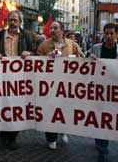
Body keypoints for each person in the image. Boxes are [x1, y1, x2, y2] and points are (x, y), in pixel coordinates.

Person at [37, 20, 84, 150]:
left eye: (55, 28)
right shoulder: (44, 45)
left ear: (62, 31)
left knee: (65, 110)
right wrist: (46, 57)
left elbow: (81, 60)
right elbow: (36, 62)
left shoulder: (71, 44)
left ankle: (63, 130)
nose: (52, 30)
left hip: (67, 86)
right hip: (50, 85)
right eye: (51, 28)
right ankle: (51, 138)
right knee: (51, 111)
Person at [0, 10, 33, 150]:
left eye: (15, 20)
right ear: (7, 21)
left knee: (17, 108)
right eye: (11, 20)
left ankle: (13, 137)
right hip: (3, 78)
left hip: (19, 79)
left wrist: (29, 53)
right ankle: (3, 138)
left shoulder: (26, 35)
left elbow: (34, 52)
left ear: (20, 22)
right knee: (3, 107)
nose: (13, 23)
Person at [86, 23, 118, 162]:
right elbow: (83, 62)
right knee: (100, 119)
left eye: (112, 34)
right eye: (107, 34)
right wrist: (88, 59)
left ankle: (102, 144)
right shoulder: (96, 48)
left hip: (115, 92)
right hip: (98, 90)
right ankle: (102, 149)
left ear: (117, 34)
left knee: (109, 120)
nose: (109, 36)